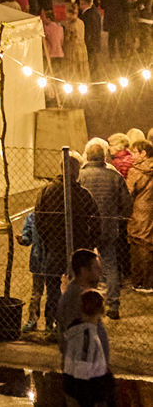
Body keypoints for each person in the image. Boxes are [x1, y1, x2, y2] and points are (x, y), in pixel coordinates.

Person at [37, 160, 101, 332]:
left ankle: (51, 322)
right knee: (78, 287)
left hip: (55, 247)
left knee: (52, 287)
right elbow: (96, 222)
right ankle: (74, 322)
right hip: (77, 250)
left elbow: (39, 220)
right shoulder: (83, 194)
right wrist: (89, 245)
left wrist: (49, 240)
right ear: (76, 171)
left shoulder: (47, 191)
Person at [79, 139, 128, 317]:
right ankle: (113, 305)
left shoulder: (81, 175)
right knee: (110, 264)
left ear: (87, 156)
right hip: (108, 226)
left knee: (84, 264)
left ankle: (85, 302)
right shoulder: (114, 176)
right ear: (105, 156)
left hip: (86, 228)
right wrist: (117, 218)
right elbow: (126, 203)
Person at [61, 287, 114, 406]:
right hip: (87, 390)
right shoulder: (88, 337)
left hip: (72, 386)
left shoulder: (75, 330)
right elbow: (83, 374)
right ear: (101, 311)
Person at [126, 139, 153, 293]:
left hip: (139, 212)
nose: (132, 156)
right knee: (149, 245)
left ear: (143, 153)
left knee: (139, 245)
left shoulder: (136, 171)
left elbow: (128, 193)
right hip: (151, 211)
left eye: (134, 152)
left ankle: (141, 282)